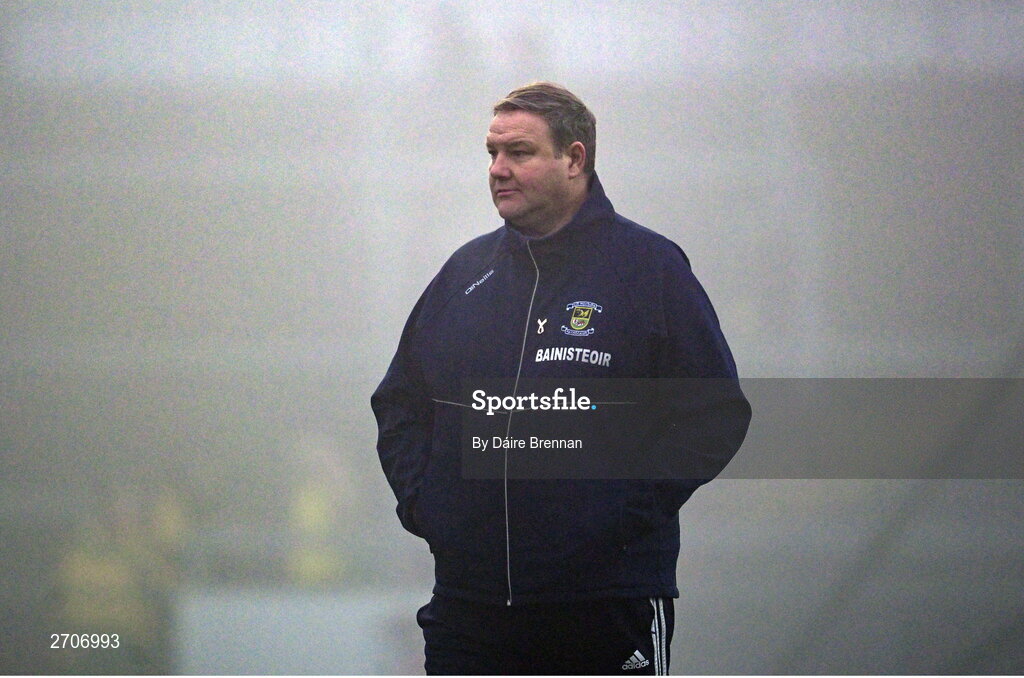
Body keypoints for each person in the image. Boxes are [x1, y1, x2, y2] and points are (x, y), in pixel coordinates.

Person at [372, 82, 751, 675]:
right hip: (470, 612)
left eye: (519, 153)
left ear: (574, 160)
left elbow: (713, 413)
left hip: (601, 606)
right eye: (492, 153)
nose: (498, 169)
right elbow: (400, 405)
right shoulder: (465, 274)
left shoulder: (648, 268)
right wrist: (430, 508)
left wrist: (619, 512)